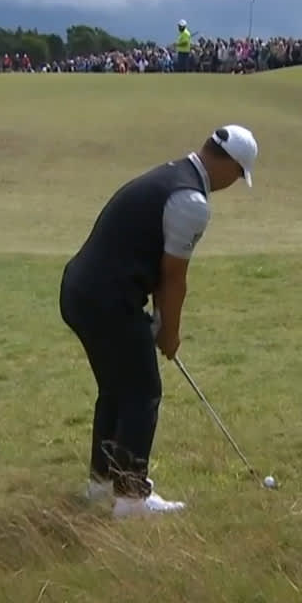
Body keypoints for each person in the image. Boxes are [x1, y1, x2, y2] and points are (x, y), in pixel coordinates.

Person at [59, 125, 259, 517]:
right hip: (106, 300)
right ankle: (132, 498)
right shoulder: (191, 201)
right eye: (238, 175)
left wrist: (156, 320)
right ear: (229, 166)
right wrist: (169, 331)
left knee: (116, 389)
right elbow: (173, 277)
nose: (233, 184)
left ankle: (102, 484)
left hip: (79, 291)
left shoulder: (169, 176)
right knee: (142, 393)